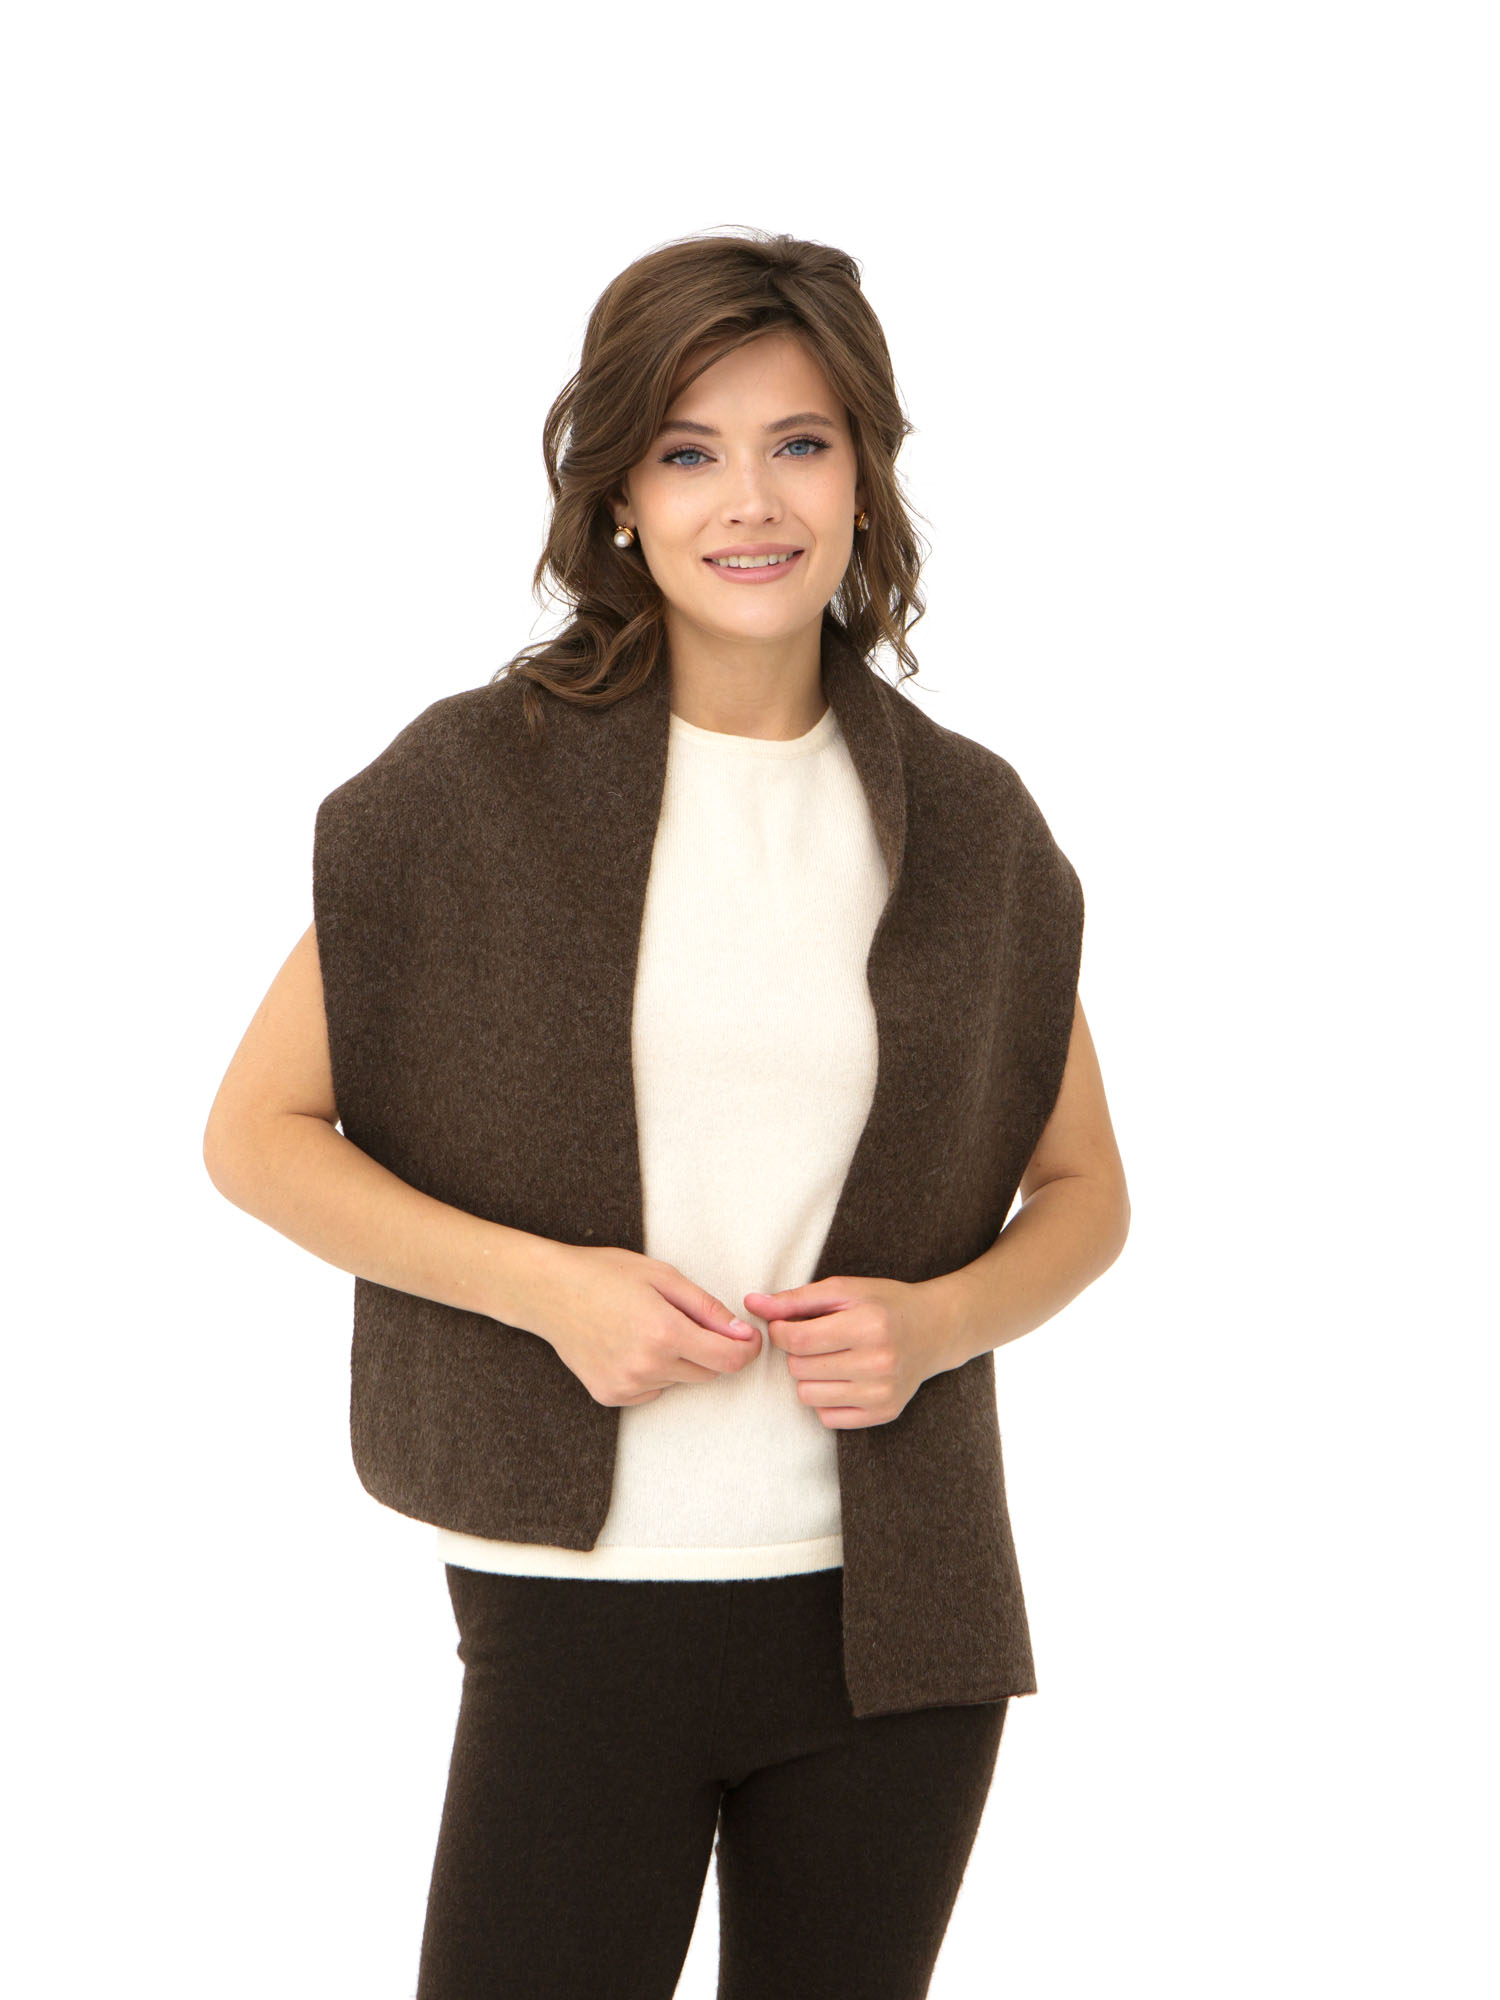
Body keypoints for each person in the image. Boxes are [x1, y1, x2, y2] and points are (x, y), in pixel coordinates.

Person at [203, 227, 1130, 2000]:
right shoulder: (473, 790)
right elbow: (259, 1132)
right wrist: (549, 1290)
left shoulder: (968, 822)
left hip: (899, 1616)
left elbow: (1085, 1186)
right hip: (580, 1597)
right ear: (621, 494)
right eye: (690, 451)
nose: (750, 500)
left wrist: (938, 1324)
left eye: (801, 443)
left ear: (864, 476)